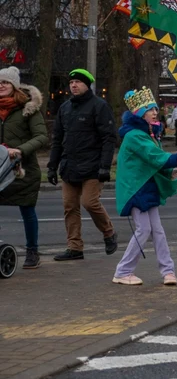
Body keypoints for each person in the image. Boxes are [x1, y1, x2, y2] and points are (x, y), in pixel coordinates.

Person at [112, 88, 177, 286]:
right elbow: (156, 158)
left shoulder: (147, 135)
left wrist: (171, 172)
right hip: (135, 190)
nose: (155, 112)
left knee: (157, 231)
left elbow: (153, 164)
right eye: (150, 109)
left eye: (155, 108)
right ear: (139, 113)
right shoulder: (135, 136)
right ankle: (123, 271)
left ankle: (168, 271)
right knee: (144, 229)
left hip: (145, 187)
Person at [47, 68, 118, 262]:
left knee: (90, 202)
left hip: (93, 166)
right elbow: (57, 139)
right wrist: (52, 166)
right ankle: (75, 247)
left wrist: (105, 166)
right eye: (71, 82)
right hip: (69, 166)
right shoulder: (65, 108)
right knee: (69, 207)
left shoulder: (99, 106)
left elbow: (109, 138)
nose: (73, 85)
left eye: (78, 82)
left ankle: (109, 232)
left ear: (87, 85)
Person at [0, 68, 47, 268]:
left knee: (27, 209)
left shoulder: (28, 108)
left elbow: (42, 136)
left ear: (15, 86)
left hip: (22, 169)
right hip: (1, 168)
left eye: (5, 82)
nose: (1, 86)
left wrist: (19, 150)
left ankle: (32, 251)